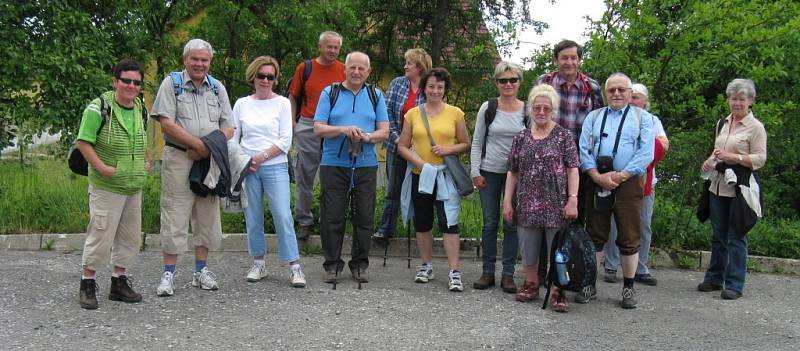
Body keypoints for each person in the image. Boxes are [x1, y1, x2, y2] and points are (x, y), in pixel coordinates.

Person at [151, 39, 234, 296]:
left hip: (209, 160)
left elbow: (229, 127)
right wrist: (198, 144)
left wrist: (206, 148)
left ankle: (200, 271)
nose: (200, 64)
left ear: (210, 62)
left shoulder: (218, 88)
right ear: (185, 60)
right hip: (179, 158)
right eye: (195, 59)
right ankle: (169, 274)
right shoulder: (172, 84)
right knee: (175, 213)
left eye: (204, 60)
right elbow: (166, 122)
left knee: (207, 215)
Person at [76, 59, 149, 309]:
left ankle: (119, 282)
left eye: (136, 82)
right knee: (100, 235)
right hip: (106, 185)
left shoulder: (141, 109)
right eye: (126, 80)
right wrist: (102, 168)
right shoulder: (98, 108)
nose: (131, 86)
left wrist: (145, 161)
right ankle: (87, 283)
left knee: (129, 237)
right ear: (115, 81)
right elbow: (83, 142)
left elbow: (143, 139)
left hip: (132, 184)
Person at [578, 73, 654, 309]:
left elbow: (646, 152)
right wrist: (595, 176)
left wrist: (622, 175)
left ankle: (629, 288)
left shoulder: (643, 118)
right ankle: (589, 284)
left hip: (628, 181)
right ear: (605, 93)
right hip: (597, 180)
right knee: (595, 233)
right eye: (612, 90)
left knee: (629, 235)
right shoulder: (594, 117)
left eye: (622, 89)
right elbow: (583, 149)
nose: (617, 94)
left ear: (631, 93)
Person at [314, 51, 389, 283]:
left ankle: (359, 265)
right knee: (332, 216)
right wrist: (344, 129)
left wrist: (366, 136)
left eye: (361, 68)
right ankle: (332, 265)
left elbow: (384, 131)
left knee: (364, 216)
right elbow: (318, 128)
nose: (356, 72)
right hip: (334, 163)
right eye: (352, 67)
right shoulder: (330, 93)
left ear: (368, 72)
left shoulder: (376, 95)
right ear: (344, 69)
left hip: (366, 164)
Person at [503, 84, 579, 312]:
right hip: (527, 203)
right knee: (528, 247)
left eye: (547, 108)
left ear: (553, 109)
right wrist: (507, 201)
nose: (542, 112)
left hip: (556, 204)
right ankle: (531, 283)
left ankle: (558, 290)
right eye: (537, 107)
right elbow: (512, 171)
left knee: (558, 250)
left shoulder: (564, 136)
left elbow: (573, 169)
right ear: (530, 109)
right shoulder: (521, 137)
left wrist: (573, 199)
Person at [232, 56, 306, 287]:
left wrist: (261, 157)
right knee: (252, 217)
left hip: (274, 165)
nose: (265, 80)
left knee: (282, 214)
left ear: (275, 80)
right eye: (261, 76)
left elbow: (286, 139)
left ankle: (294, 266)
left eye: (270, 77)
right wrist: (246, 160)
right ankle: (258, 262)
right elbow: (233, 138)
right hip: (248, 167)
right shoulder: (242, 104)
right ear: (253, 77)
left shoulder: (283, 103)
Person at [397, 67, 470, 292]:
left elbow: (465, 143)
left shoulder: (456, 113)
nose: (435, 91)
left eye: (440, 87)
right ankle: (426, 265)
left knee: (449, 222)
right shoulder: (412, 114)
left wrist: (448, 149)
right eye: (431, 86)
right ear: (424, 88)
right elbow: (402, 145)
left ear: (445, 89)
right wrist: (420, 164)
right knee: (423, 222)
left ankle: (454, 271)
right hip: (422, 176)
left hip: (445, 177)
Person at [697, 78, 766, 300]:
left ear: (750, 101)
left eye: (741, 99)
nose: (736, 103)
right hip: (717, 186)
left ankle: (735, 283)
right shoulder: (722, 123)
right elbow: (716, 152)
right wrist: (709, 162)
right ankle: (714, 278)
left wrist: (734, 157)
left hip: (739, 189)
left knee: (736, 235)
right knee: (718, 234)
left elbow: (760, 159)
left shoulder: (756, 128)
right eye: (733, 98)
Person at [469, 61, 527, 293]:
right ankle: (488, 271)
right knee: (490, 223)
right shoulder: (488, 107)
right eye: (503, 80)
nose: (508, 84)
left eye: (513, 80)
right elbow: (477, 142)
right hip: (490, 171)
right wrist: (475, 171)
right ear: (497, 83)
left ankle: (509, 274)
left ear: (520, 82)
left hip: (517, 174)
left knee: (511, 223)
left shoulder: (528, 110)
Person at [603, 83, 669, 286]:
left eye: (638, 97)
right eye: (632, 96)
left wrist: (637, 157)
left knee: (642, 224)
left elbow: (661, 147)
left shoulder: (653, 121)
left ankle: (640, 267)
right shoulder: (615, 117)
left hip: (643, 179)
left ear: (645, 101)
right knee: (613, 225)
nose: (633, 101)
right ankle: (611, 266)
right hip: (615, 178)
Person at [288, 31, 346, 240]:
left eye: (336, 47)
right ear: (320, 46)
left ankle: (329, 222)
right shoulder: (305, 68)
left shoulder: (345, 70)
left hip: (335, 128)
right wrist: (293, 123)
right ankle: (303, 221)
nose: (332, 51)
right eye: (328, 46)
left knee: (333, 178)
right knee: (304, 176)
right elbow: (293, 96)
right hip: (308, 125)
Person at [373, 48, 432, 241]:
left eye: (409, 63)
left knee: (418, 190)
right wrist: (398, 139)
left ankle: (420, 231)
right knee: (393, 189)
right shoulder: (398, 84)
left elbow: (434, 117)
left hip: (420, 150)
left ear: (420, 67)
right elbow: (386, 113)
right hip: (396, 145)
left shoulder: (430, 88)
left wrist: (416, 144)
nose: (405, 66)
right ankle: (386, 229)